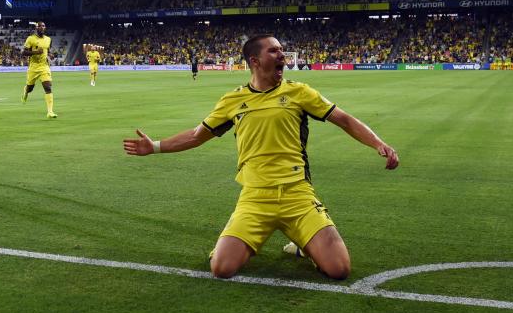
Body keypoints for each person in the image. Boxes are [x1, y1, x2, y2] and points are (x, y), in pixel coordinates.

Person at [123, 34, 399, 280]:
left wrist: (378, 143)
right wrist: (155, 146)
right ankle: (233, 245)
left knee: (339, 270)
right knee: (221, 269)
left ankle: (304, 246)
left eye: (282, 50)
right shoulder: (232, 101)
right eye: (274, 51)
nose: (282, 55)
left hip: (297, 195)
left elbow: (344, 119)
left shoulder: (299, 92)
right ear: (254, 61)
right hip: (255, 198)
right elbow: (197, 135)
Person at [21, 21, 56, 118]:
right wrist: (36, 52)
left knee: (48, 87)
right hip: (33, 67)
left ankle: (50, 112)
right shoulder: (31, 39)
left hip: (44, 66)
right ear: (36, 28)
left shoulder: (48, 39)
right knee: (30, 88)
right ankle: (26, 90)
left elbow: (48, 50)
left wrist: (50, 54)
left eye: (43, 26)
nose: (42, 27)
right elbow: (23, 52)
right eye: (40, 26)